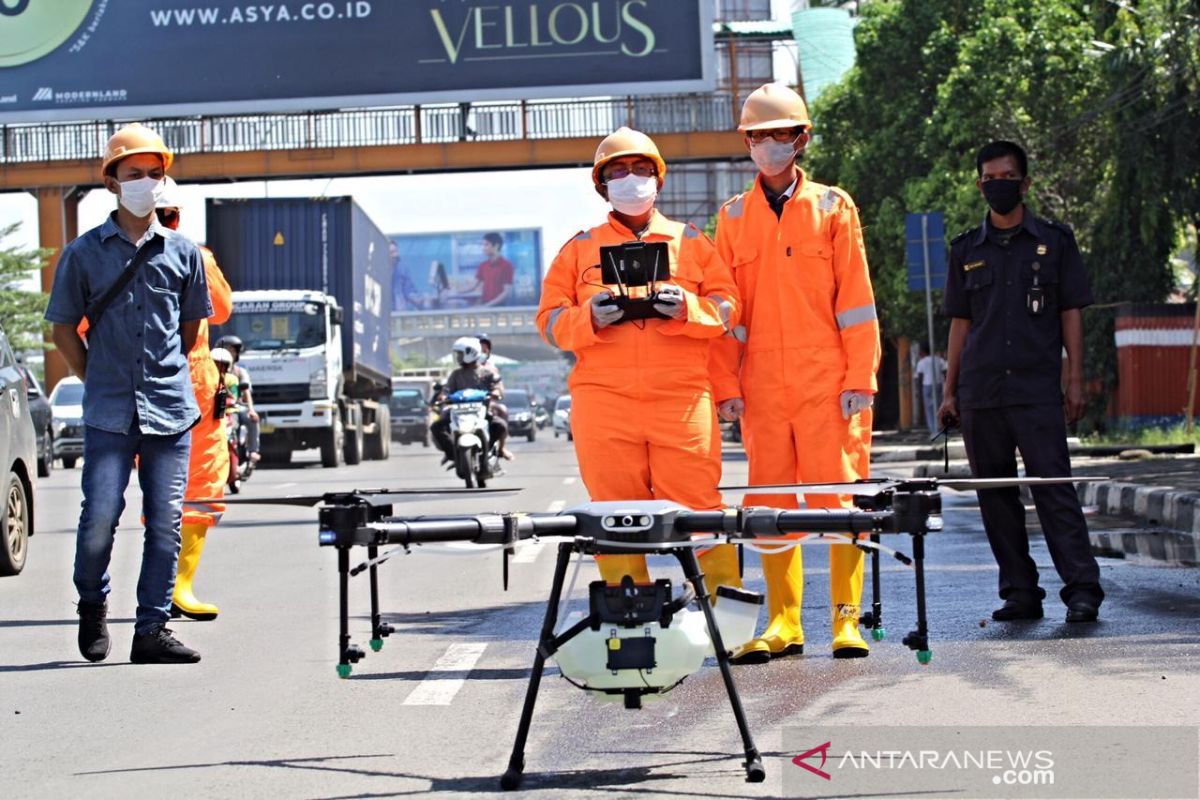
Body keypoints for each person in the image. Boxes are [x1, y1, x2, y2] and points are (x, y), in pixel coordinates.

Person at [711, 84, 881, 662]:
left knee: (839, 500)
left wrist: (862, 376)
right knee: (770, 507)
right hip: (761, 387)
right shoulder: (732, 217)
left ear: (800, 139)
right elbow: (726, 311)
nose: (766, 145)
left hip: (828, 383)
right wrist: (726, 387)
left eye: (777, 134)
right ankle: (784, 623)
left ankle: (845, 621)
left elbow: (857, 299)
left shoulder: (834, 207)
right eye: (756, 136)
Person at [536, 126, 742, 594]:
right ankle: (629, 619)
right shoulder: (578, 248)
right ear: (602, 184)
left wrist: (686, 307)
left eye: (642, 169)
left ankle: (725, 616)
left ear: (658, 179)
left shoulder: (692, 242)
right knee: (613, 509)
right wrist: (587, 317)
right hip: (604, 404)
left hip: (682, 400)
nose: (632, 179)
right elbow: (548, 321)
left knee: (699, 508)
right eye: (620, 171)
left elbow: (728, 306)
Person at [45, 124, 211, 664]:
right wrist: (95, 375)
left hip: (170, 407)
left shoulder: (184, 254)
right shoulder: (82, 254)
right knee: (100, 515)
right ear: (112, 181)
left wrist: (158, 373)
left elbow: (188, 333)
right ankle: (92, 606)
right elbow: (63, 328)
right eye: (133, 173)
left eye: (154, 173)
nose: (145, 181)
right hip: (109, 409)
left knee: (165, 521)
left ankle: (151, 631)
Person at [937, 140, 1102, 624]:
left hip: (1035, 389)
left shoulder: (1055, 241)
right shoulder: (966, 249)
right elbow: (959, 323)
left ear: (1025, 184)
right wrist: (950, 390)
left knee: (1053, 486)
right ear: (979, 184)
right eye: (988, 178)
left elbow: (1071, 312)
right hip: (981, 392)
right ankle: (1020, 592)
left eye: (1006, 177)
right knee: (996, 494)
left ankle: (1082, 589)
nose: (997, 185)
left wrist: (1074, 378)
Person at [153, 179, 234, 622]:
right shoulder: (194, 256)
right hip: (193, 382)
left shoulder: (101, 255)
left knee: (158, 488)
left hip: (139, 385)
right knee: (200, 484)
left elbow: (82, 328)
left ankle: (160, 586)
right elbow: (221, 309)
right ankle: (179, 584)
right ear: (176, 215)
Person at [431, 336, 513, 461]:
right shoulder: (456, 374)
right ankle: (452, 452)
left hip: (481, 412)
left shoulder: (487, 373)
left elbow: (497, 386)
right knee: (436, 426)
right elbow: (447, 390)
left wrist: (496, 391)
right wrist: (443, 396)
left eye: (460, 354)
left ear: (470, 353)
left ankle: (493, 449)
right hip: (457, 412)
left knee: (500, 426)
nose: (457, 357)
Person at [215, 335, 260, 463]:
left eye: (233, 351)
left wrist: (251, 410)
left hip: (235, 406)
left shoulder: (239, 372)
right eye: (228, 350)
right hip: (216, 406)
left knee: (250, 417)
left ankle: (253, 450)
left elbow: (245, 392)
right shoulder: (211, 370)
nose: (231, 353)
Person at [465, 233, 514, 307]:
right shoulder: (483, 265)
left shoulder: (506, 266)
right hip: (485, 307)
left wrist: (487, 306)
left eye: (486, 245)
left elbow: (506, 292)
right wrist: (453, 292)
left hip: (500, 309)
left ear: (496, 246)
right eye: (483, 245)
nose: (483, 248)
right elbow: (473, 285)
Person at [915, 343, 948, 434]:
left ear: (922, 351)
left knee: (929, 409)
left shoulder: (921, 362)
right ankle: (940, 428)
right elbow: (945, 372)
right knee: (938, 407)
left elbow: (920, 377)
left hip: (927, 385)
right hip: (938, 384)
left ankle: (934, 431)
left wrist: (918, 390)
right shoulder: (939, 360)